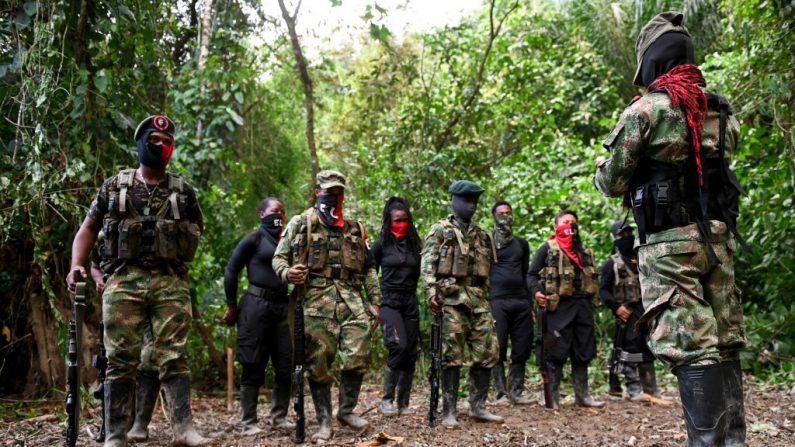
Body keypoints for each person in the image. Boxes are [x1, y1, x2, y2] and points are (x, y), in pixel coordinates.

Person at [594, 12, 748, 445]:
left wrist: (603, 168)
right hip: (716, 241)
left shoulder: (646, 110)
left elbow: (613, 183)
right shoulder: (718, 109)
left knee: (692, 346)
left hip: (669, 248)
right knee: (724, 341)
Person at [66, 115, 206, 446]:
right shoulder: (115, 186)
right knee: (120, 358)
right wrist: (78, 265)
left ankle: (183, 429)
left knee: (174, 355)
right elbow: (87, 228)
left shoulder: (183, 191)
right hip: (123, 282)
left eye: (166, 141)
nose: (160, 145)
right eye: (154, 139)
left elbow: (195, 231)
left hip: (169, 281)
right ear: (140, 143)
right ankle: (116, 433)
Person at [272, 170, 382, 442]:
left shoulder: (355, 227)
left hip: (351, 299)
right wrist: (288, 274)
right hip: (315, 301)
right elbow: (278, 259)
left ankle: (346, 410)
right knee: (318, 362)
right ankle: (324, 421)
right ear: (317, 191)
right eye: (328, 191)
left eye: (338, 192)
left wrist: (376, 302)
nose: (333, 197)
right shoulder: (301, 223)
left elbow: (369, 269)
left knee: (358, 355)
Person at [420, 180, 503, 427]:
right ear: (454, 201)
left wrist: (488, 302)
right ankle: (449, 412)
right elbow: (427, 267)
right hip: (452, 300)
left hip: (478, 301)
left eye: (474, 202)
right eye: (466, 201)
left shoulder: (482, 235)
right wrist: (431, 294)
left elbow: (487, 272)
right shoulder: (440, 231)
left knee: (487, 353)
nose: (471, 206)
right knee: (451, 356)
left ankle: (478, 406)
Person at [223, 197, 294, 435]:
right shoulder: (253, 239)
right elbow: (231, 271)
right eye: (275, 211)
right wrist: (231, 305)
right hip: (256, 306)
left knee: (286, 364)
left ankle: (279, 417)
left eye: (282, 212)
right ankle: (248, 422)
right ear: (261, 214)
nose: (279, 216)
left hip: (283, 308)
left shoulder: (289, 243)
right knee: (253, 362)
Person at [527, 210, 604, 409]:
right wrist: (536, 293)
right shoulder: (547, 248)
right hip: (558, 307)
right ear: (556, 227)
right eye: (565, 222)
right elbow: (531, 274)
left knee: (583, 351)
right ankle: (553, 399)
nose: (570, 226)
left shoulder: (584, 251)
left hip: (583, 305)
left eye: (573, 223)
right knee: (555, 352)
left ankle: (582, 396)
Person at [90, 233, 162, 442]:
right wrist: (98, 280)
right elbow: (95, 265)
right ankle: (118, 427)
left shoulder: (153, 229)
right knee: (119, 361)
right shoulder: (105, 234)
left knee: (150, 359)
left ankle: (140, 423)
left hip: (153, 303)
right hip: (121, 305)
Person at [600, 221, 664, 400]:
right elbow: (603, 290)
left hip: (645, 311)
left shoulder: (641, 258)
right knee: (630, 351)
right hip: (626, 314)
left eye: (629, 233)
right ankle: (634, 389)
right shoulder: (611, 264)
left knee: (647, 349)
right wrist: (616, 307)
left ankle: (651, 389)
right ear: (615, 238)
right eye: (622, 234)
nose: (627, 237)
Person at [371, 197, 422, 416]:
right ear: (388, 221)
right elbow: (369, 273)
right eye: (396, 220)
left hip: (409, 300)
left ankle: (404, 403)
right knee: (398, 346)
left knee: (411, 351)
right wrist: (372, 301)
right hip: (388, 300)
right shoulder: (381, 243)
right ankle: (387, 400)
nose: (401, 224)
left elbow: (420, 272)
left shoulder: (415, 243)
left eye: (405, 220)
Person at [488, 201, 534, 405]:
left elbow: (526, 274)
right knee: (497, 347)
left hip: (521, 301)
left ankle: (516, 391)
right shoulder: (487, 242)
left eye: (508, 213)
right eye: (500, 213)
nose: (505, 216)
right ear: (494, 216)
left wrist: (530, 304)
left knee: (522, 347)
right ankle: (501, 393)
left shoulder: (522, 244)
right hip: (497, 301)